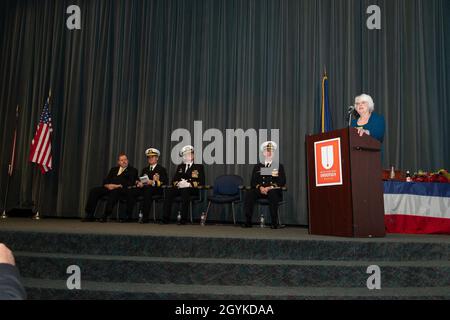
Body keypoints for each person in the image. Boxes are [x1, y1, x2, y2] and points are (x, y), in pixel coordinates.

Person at [242, 141, 286, 229]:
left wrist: (270, 187)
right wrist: (261, 187)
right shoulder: (257, 166)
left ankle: (274, 222)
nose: (269, 153)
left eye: (271, 151)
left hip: (273, 190)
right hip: (260, 190)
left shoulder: (279, 166)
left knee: (273, 193)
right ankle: (248, 221)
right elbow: (253, 182)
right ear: (263, 153)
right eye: (267, 151)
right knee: (250, 193)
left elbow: (282, 181)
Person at [83, 153, 138, 222]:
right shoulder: (113, 169)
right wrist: (107, 185)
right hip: (109, 187)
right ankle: (89, 215)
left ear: (128, 160)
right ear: (118, 162)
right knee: (94, 191)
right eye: (122, 160)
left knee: (114, 192)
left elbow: (131, 182)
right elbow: (106, 180)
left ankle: (105, 215)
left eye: (125, 159)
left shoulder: (133, 170)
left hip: (121, 189)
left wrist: (116, 186)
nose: (124, 161)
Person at [161, 145, 205, 225]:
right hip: (180, 188)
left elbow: (202, 182)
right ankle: (165, 218)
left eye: (188, 154)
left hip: (192, 189)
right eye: (185, 155)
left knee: (185, 191)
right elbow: (174, 181)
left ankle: (183, 219)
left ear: (193, 156)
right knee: (169, 191)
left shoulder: (199, 167)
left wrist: (189, 184)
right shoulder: (180, 167)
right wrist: (179, 183)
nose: (186, 157)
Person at [125, 148, 168, 223]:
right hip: (144, 188)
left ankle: (145, 217)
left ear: (157, 158)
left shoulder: (161, 169)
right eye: (149, 157)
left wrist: (154, 182)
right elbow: (141, 179)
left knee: (148, 191)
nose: (150, 159)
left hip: (155, 189)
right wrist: (139, 183)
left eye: (152, 157)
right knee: (131, 191)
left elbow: (165, 182)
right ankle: (128, 216)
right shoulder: (145, 169)